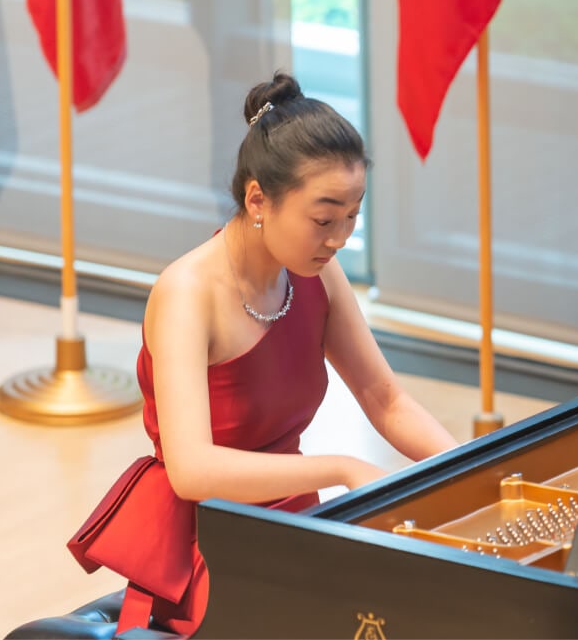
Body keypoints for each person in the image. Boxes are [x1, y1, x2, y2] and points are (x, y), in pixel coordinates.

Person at [65, 72, 459, 636]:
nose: (341, 237)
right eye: (324, 219)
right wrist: (344, 466)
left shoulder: (319, 274)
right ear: (258, 199)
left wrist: (471, 470)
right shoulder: (187, 293)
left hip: (298, 517)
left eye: (353, 215)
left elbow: (385, 398)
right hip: (212, 542)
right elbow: (193, 470)